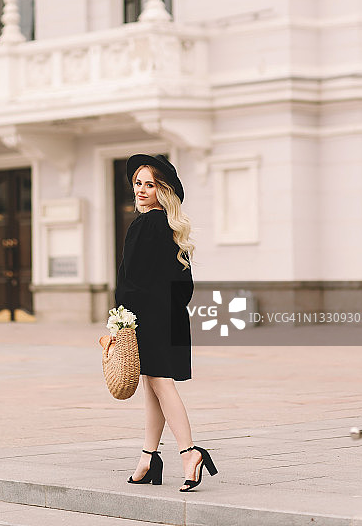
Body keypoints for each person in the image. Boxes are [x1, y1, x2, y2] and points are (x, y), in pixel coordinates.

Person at [114, 154, 218, 493]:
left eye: (150, 185)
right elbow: (185, 286)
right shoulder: (173, 227)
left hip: (147, 319)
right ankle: (149, 457)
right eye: (138, 184)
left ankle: (190, 454)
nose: (142, 190)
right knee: (153, 387)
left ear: (164, 190)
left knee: (160, 386)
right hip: (171, 318)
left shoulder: (143, 225)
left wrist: (122, 322)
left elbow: (130, 282)